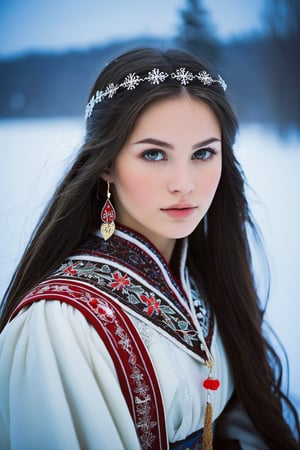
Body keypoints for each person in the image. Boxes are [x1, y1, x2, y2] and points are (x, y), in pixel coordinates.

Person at [0, 47, 298, 450]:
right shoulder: (61, 325)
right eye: (153, 154)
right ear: (107, 163)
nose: (184, 183)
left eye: (203, 153)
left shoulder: (205, 280)